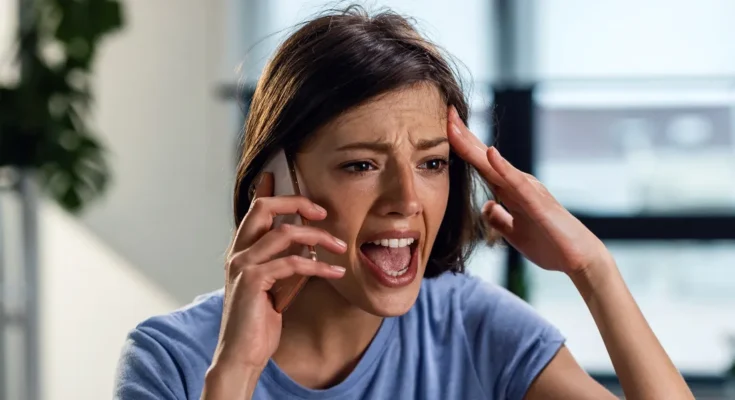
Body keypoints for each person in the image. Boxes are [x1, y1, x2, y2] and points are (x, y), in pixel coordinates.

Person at [114, 7, 694, 400]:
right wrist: (236, 371)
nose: (407, 200)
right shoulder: (170, 361)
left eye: (432, 163)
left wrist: (594, 271)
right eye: (361, 165)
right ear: (278, 180)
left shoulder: (472, 325)